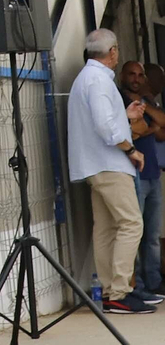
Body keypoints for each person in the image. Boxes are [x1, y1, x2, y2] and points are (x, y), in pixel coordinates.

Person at [67, 30, 151, 314]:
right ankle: (119, 290)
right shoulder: (99, 80)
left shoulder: (86, 79)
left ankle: (108, 291)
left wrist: (124, 115)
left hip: (94, 165)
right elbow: (105, 127)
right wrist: (131, 149)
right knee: (131, 224)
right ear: (113, 51)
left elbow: (100, 120)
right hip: (110, 163)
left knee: (105, 229)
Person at [119, 60, 165, 298]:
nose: (136, 79)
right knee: (134, 233)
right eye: (131, 74)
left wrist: (146, 109)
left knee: (152, 235)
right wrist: (148, 125)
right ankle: (136, 285)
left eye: (140, 75)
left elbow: (162, 127)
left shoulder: (144, 102)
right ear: (122, 75)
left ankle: (154, 282)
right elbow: (134, 131)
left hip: (153, 174)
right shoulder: (120, 100)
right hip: (133, 174)